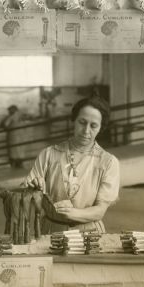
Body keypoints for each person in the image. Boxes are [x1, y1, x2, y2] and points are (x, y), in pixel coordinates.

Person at [23, 96, 120, 233]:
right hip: (51, 230)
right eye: (82, 122)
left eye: (93, 126)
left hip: (90, 233)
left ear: (101, 128)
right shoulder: (49, 154)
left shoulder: (108, 162)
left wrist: (72, 213)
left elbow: (99, 211)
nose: (86, 131)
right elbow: (26, 196)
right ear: (73, 121)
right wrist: (33, 187)